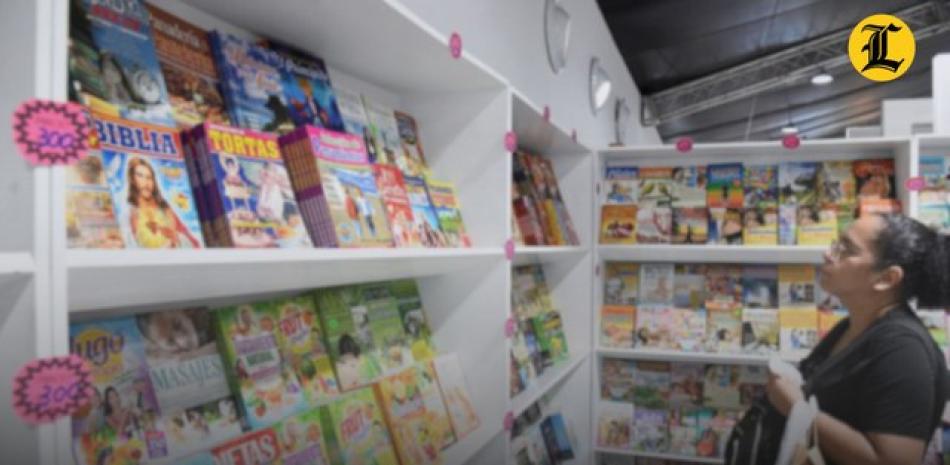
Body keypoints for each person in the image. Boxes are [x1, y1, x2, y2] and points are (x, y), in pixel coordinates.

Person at [764, 213, 949, 465]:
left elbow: (894, 461)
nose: (829, 255)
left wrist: (796, 408)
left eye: (846, 250)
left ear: (886, 279)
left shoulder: (904, 350)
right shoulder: (853, 324)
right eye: (836, 244)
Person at [126, 157, 200, 248]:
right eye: (140, 176)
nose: (146, 182)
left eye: (149, 177)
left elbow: (185, 235)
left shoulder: (164, 206)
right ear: (132, 180)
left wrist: (175, 237)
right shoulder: (129, 213)